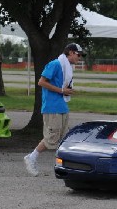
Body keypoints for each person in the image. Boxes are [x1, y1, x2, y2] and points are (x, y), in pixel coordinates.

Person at [24, 43, 84, 176]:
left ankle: (64, 166)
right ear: (71, 52)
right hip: (52, 107)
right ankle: (31, 157)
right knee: (51, 138)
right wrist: (62, 90)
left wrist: (66, 92)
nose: (79, 58)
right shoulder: (55, 64)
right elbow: (41, 82)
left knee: (63, 138)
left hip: (62, 106)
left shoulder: (67, 67)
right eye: (78, 55)